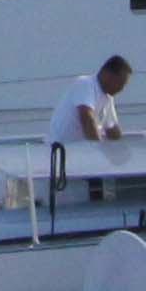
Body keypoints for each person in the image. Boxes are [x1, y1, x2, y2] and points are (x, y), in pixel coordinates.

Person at [48, 54, 135, 200]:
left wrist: (126, 157)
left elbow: (112, 129)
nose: (121, 89)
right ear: (108, 74)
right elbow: (87, 118)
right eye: (120, 83)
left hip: (83, 158)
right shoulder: (85, 84)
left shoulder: (107, 98)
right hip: (63, 157)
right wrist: (98, 153)